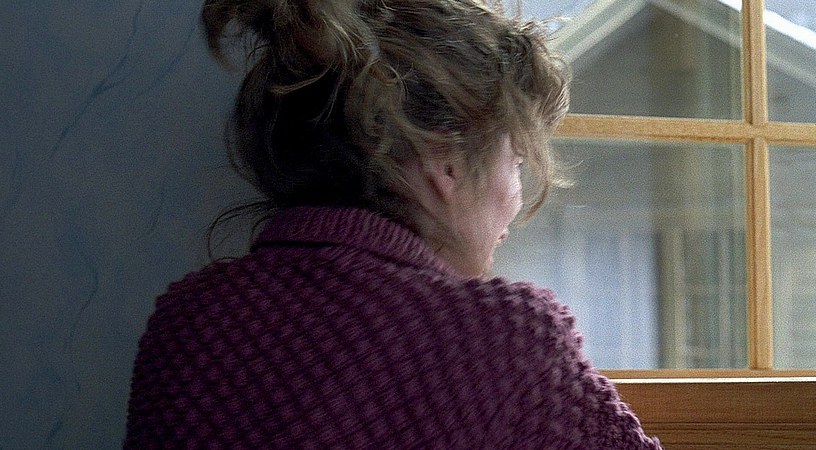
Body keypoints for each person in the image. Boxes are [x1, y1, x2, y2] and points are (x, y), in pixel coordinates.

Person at [125, 0, 663, 448]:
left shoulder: (188, 320)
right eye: (516, 162)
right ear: (446, 163)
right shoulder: (502, 341)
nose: (516, 203)